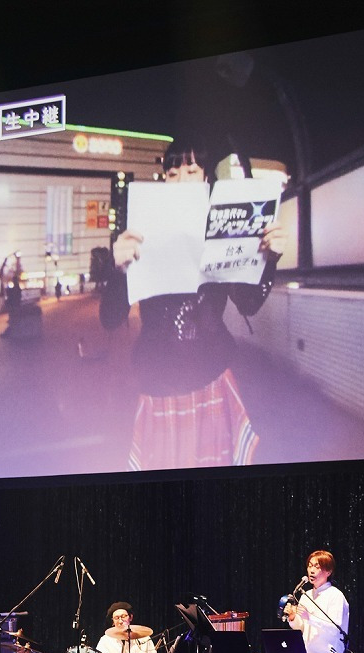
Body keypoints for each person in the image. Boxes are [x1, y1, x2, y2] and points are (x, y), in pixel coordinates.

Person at [100, 133, 290, 471]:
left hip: (212, 380)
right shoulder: (141, 232)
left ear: (206, 180)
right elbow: (110, 318)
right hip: (158, 385)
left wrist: (269, 260)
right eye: (172, 174)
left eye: (191, 171)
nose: (181, 181)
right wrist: (117, 270)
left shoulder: (221, 229)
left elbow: (247, 303)